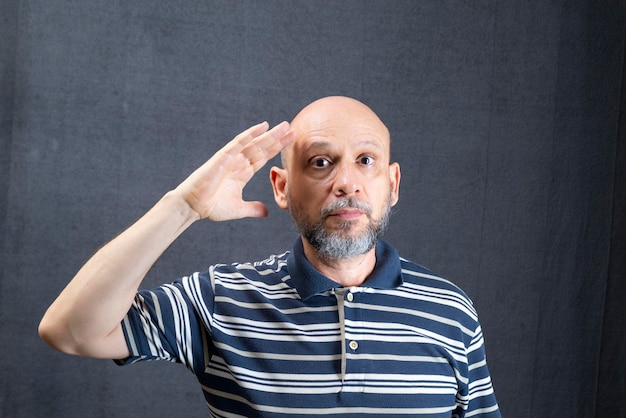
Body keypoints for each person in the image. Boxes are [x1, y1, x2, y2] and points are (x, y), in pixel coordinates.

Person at [39, 96, 500, 417]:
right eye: (321, 162)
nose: (346, 183)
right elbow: (70, 330)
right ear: (281, 186)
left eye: (366, 160)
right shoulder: (221, 301)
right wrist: (182, 209)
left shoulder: (451, 313)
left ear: (392, 185)